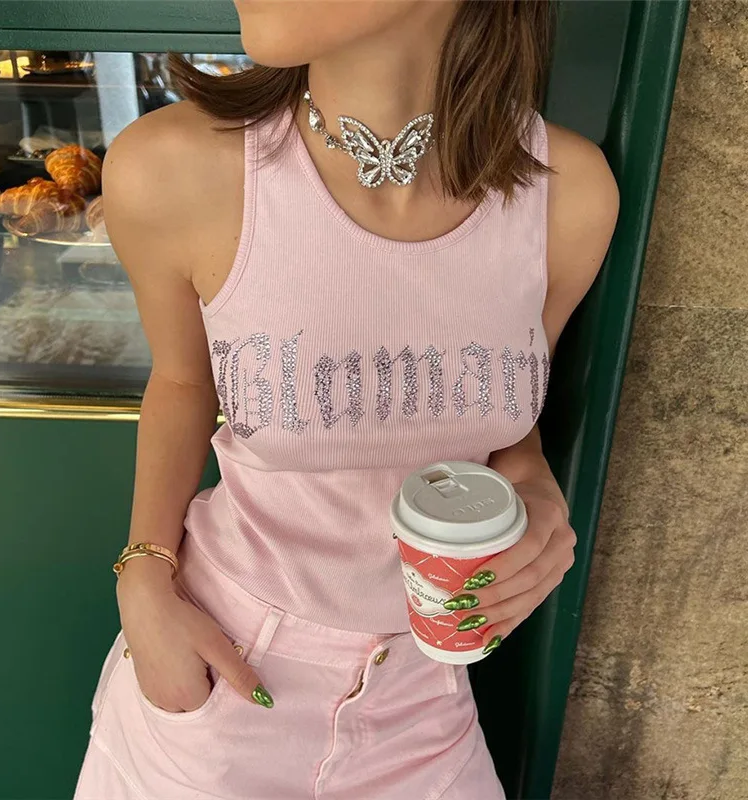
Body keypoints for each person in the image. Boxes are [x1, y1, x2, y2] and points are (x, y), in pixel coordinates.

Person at [74, 1, 619, 798]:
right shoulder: (172, 168)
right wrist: (143, 577)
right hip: (220, 677)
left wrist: (532, 485)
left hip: (426, 696)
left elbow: (505, 408)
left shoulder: (568, 194)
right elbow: (184, 381)